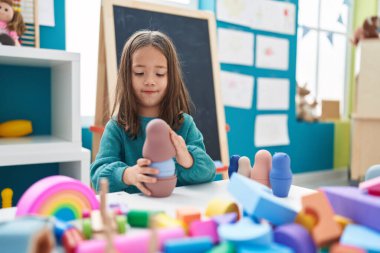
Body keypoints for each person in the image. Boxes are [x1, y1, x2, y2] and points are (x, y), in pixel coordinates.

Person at [91, 30, 216, 195]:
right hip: (134, 213)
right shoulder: (116, 127)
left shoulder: (184, 124)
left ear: (170, 77)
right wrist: (127, 175)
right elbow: (97, 178)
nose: (150, 81)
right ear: (127, 76)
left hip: (175, 212)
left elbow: (209, 173)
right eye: (139, 73)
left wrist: (187, 158)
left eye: (159, 73)